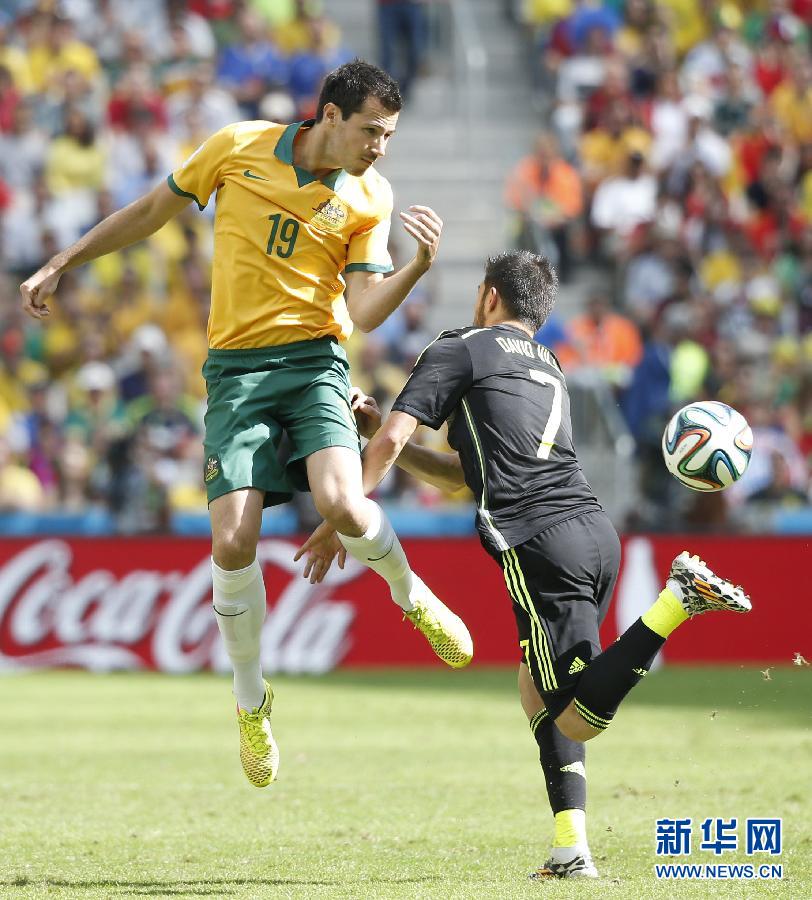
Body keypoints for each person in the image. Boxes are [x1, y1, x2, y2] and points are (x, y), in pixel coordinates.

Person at [19, 59, 473, 790]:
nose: (380, 146)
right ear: (329, 116)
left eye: (388, 135)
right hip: (235, 372)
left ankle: (411, 595)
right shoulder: (236, 148)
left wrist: (417, 268)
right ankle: (250, 698)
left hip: (316, 362)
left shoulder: (369, 195)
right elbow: (149, 212)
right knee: (232, 540)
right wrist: (63, 261)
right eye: (370, 131)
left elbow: (359, 312)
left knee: (341, 501)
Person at [298, 250, 752, 879]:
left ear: (487, 296)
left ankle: (677, 600)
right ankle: (571, 848)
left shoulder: (460, 347)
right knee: (534, 688)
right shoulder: (550, 366)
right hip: (593, 533)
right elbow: (463, 472)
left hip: (538, 541)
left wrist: (333, 523)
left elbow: (390, 438)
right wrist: (394, 450)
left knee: (578, 716)